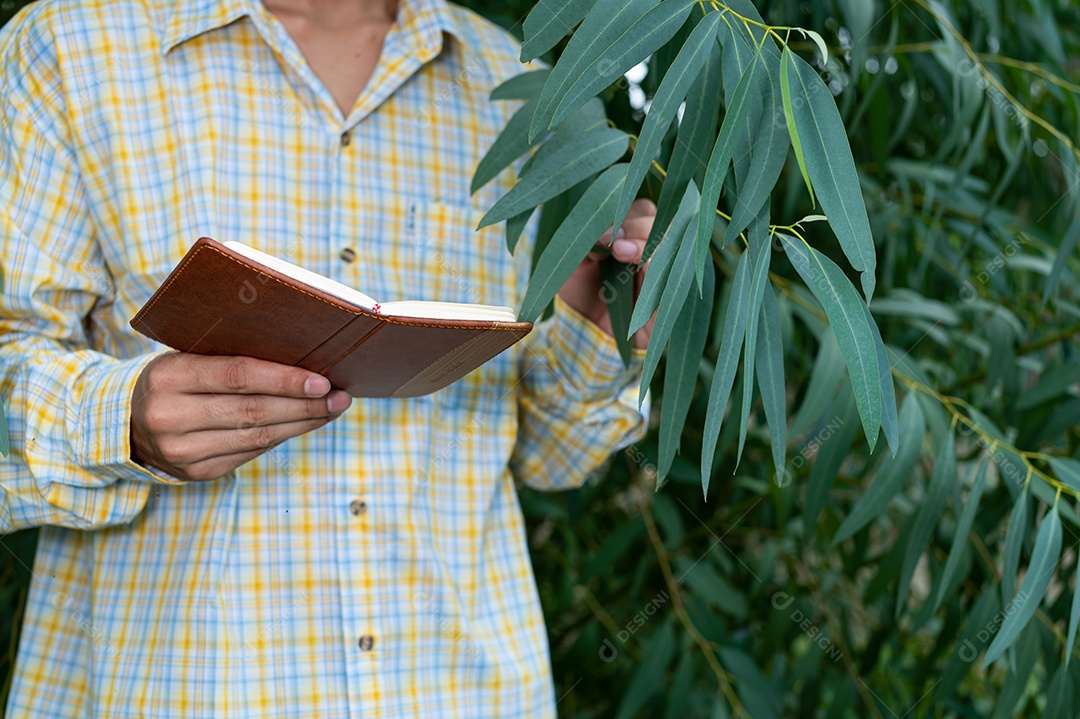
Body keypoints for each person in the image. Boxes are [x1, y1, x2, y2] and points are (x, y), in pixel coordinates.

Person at [0, 0, 659, 715]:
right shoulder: (69, 49)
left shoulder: (517, 83)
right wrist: (121, 418)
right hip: (183, 689)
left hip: (459, 691)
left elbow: (551, 460)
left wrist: (595, 319)